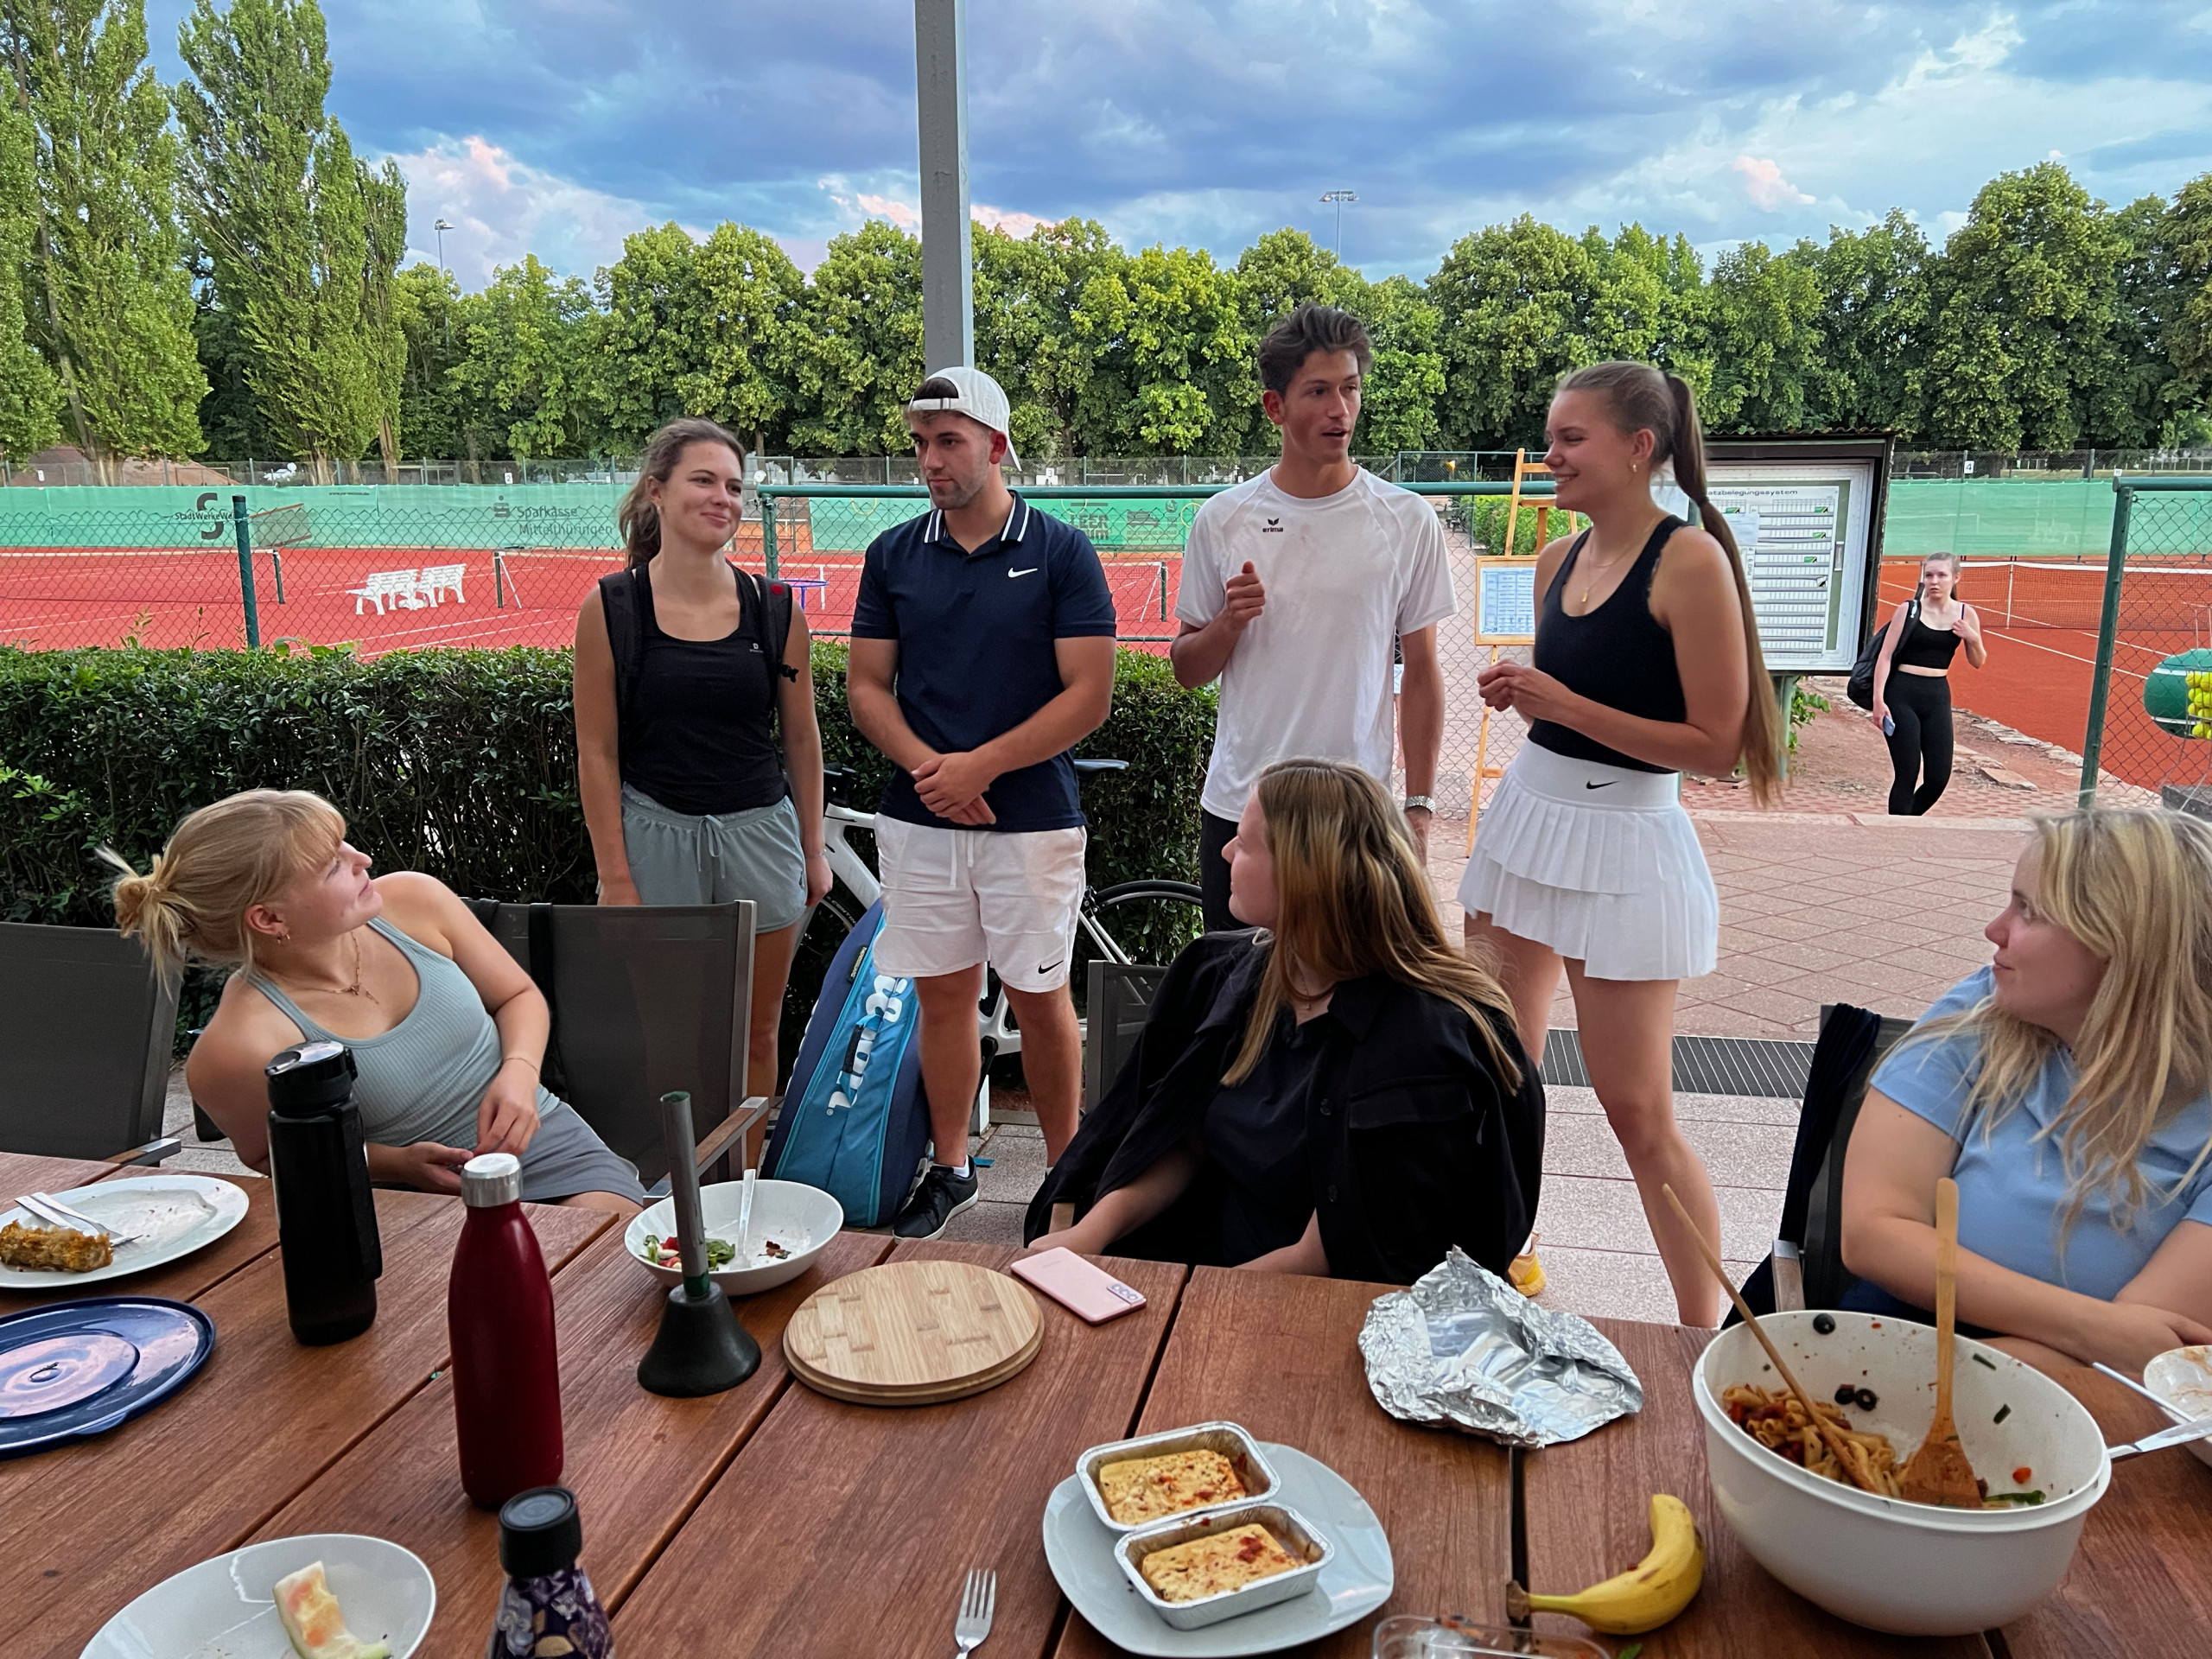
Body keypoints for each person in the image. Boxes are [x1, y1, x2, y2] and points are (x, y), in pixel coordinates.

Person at [1458, 361, 1783, 1326]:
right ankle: (1506, 1265)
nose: (1549, 454)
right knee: (1496, 1072)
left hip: (1628, 840)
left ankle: (1706, 1331)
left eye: (1570, 438)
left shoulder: (1689, 561)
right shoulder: (1557, 560)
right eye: (1550, 436)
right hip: (1528, 822)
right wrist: (1532, 701)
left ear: (1638, 449)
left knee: (1634, 1109)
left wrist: (1558, 701)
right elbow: (1569, 713)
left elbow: (1716, 746)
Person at [1025, 760, 1541, 1281]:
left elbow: (1328, 1257)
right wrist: (1088, 1235)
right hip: (1219, 1263)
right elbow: (1187, 1140)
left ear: (1306, 877)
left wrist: (1184, 1303)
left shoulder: (1417, 1047)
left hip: (1316, 1304)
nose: (1226, 851)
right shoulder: (1230, 974)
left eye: (1246, 844)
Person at [848, 366, 1118, 1236]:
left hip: (1032, 820)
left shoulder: (1062, 550)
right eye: (921, 443)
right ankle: (953, 1167)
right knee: (943, 999)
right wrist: (937, 770)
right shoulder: (891, 554)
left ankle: (1064, 1179)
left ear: (996, 447)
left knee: (1040, 998)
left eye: (949, 441)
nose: (930, 459)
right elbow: (865, 687)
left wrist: (980, 769)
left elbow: (1088, 695)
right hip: (919, 819)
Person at [111, 790, 646, 1214]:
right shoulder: (241, 1045)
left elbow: (517, 996)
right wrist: (395, 1164)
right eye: (332, 865)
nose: (362, 858)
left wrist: (520, 1074)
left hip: (548, 1147)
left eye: (346, 843)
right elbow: (268, 1157)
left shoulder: (415, 902)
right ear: (270, 919)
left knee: (602, 1268)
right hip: (406, 1205)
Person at [1840, 807, 2212, 1375]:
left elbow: (2143, 1359)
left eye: (2030, 911)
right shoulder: (1985, 1005)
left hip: (2087, 1410)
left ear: (2124, 947)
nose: (1995, 930)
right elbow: (1872, 1233)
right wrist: (2090, 1326)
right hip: (1899, 1344)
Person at [572, 418, 830, 1118]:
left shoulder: (775, 609)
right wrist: (618, 877)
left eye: (736, 486)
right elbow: (595, 750)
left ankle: (742, 1196)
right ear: (656, 490)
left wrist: (812, 848)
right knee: (672, 1043)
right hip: (655, 843)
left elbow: (802, 742)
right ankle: (684, 1199)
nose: (724, 498)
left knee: (757, 1032)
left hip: (762, 841)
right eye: (704, 480)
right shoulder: (611, 608)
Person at [1172, 304, 1456, 932]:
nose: (1340, 409)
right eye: (1319, 392)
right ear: (1276, 407)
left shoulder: (1406, 520)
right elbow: (1187, 668)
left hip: (1353, 815)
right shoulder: (1224, 518)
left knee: (1350, 1014)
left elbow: (1425, 671)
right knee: (1242, 1009)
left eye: (1350, 389)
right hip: (1244, 811)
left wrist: (1418, 807)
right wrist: (1227, 624)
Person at [1869, 552, 1986, 817]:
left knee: (1937, 778)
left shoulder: (1966, 614)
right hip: (1901, 694)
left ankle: (1905, 821)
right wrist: (1879, 700)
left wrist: (1973, 638)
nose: (1934, 581)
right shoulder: (1908, 610)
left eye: (1942, 575)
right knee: (1907, 772)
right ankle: (1898, 832)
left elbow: (1978, 661)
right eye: (1929, 575)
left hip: (1936, 696)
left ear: (1955, 578)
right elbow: (1884, 657)